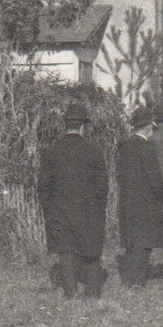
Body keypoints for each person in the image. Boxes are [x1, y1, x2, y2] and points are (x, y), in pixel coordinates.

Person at [38, 101, 109, 300]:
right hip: (89, 211)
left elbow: (43, 187)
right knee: (91, 250)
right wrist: (98, 208)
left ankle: (70, 293)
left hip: (59, 211)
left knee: (66, 250)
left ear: (66, 125)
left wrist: (49, 210)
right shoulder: (94, 152)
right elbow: (102, 186)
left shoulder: (51, 152)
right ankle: (93, 292)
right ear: (83, 126)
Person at [116, 107, 163, 287]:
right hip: (146, 201)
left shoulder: (124, 145)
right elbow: (153, 177)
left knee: (132, 242)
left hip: (127, 200)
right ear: (148, 127)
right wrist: (162, 194)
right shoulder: (146, 147)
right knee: (143, 243)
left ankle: (130, 279)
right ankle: (136, 281)